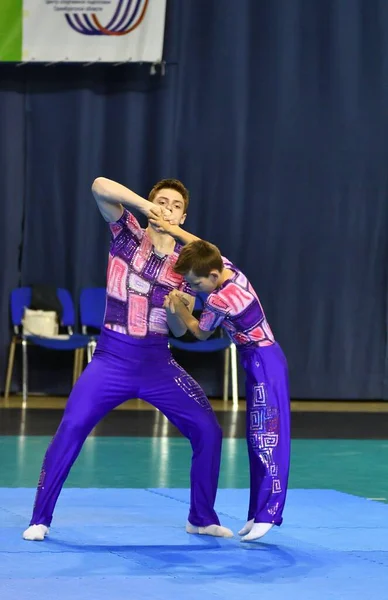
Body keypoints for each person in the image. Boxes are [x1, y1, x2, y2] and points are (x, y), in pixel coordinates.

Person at [23, 177, 233, 541]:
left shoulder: (188, 268)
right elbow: (98, 186)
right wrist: (143, 205)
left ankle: (200, 516)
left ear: (184, 216)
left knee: (208, 431)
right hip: (111, 359)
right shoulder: (127, 235)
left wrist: (175, 313)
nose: (167, 208)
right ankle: (40, 518)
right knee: (71, 428)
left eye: (175, 205)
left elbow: (182, 332)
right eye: (161, 201)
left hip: (158, 364)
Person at [150, 215, 290, 542]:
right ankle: (257, 511)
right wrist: (173, 230)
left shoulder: (219, 299)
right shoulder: (226, 267)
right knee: (256, 437)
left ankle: (270, 513)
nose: (193, 289)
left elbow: (200, 332)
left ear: (212, 276)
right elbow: (202, 246)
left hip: (264, 360)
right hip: (257, 359)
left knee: (268, 437)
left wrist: (180, 308)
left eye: (196, 284)